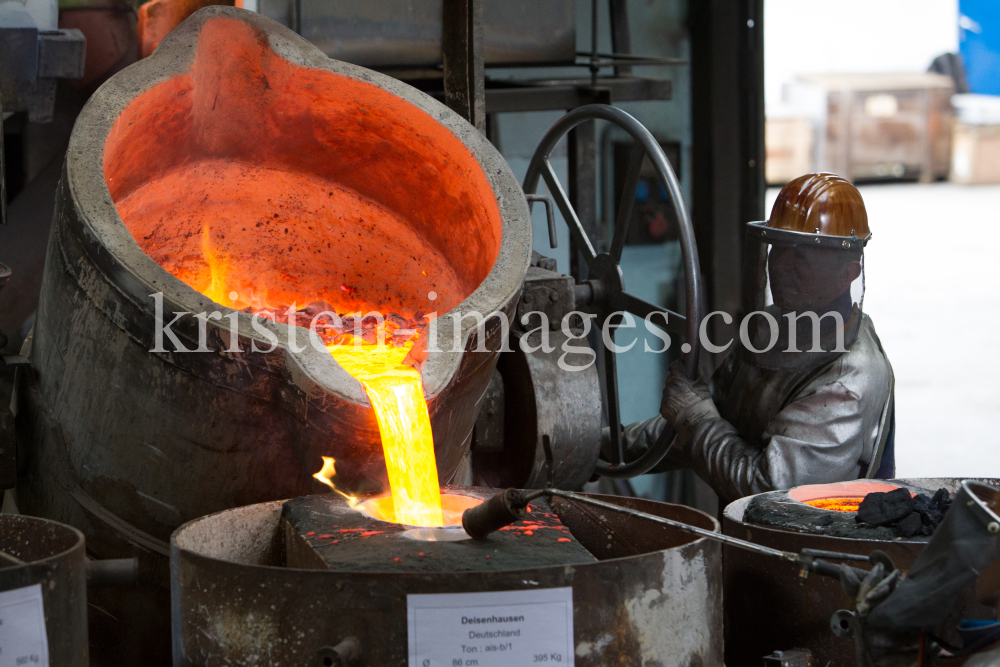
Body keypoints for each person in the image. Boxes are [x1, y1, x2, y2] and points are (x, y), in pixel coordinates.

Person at [619, 173, 895, 507]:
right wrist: (596, 447)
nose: (778, 267)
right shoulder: (771, 330)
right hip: (746, 542)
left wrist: (694, 418)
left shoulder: (849, 381)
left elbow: (770, 492)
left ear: (848, 273)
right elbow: (705, 423)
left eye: (801, 257)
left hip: (811, 553)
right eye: (777, 249)